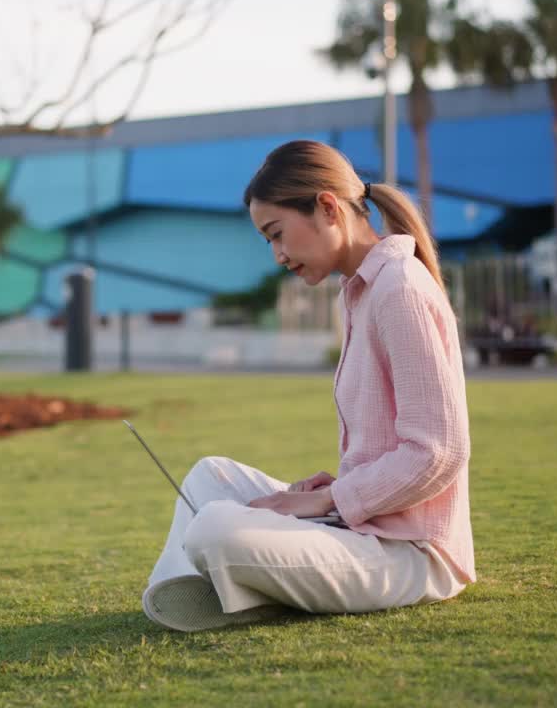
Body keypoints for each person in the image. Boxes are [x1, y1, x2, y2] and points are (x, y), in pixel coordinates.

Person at [142, 140, 475, 632]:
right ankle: (193, 592)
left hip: (411, 553)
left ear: (326, 207)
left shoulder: (399, 288)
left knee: (213, 528)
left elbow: (440, 452)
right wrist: (340, 490)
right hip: (362, 526)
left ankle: (234, 587)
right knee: (209, 479)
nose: (277, 255)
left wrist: (331, 500)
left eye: (277, 234)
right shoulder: (360, 291)